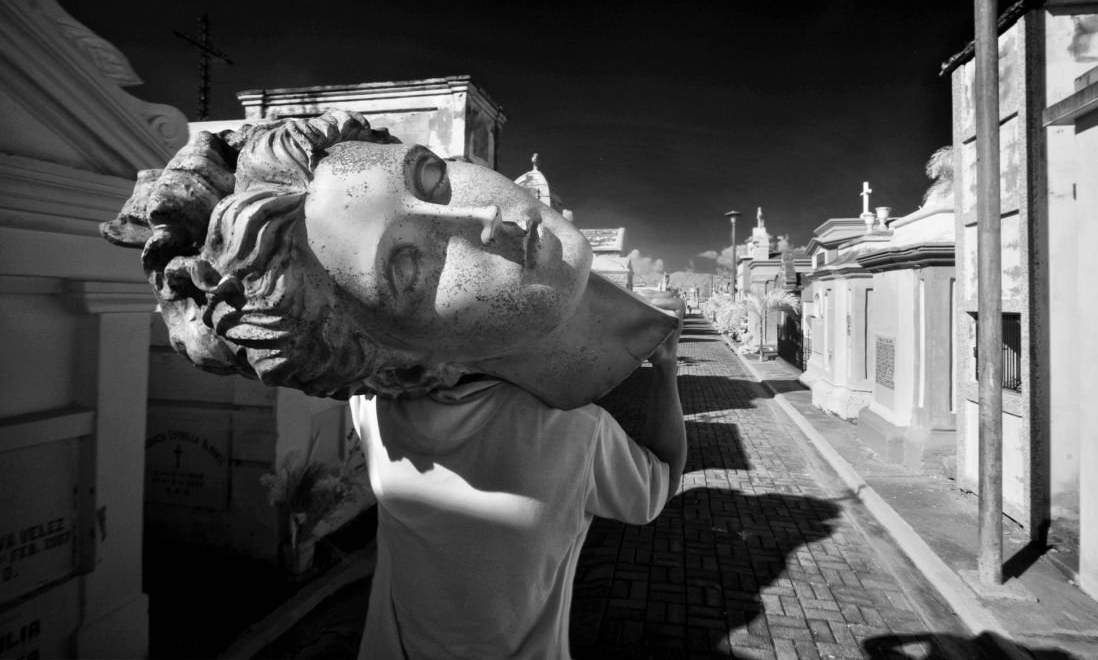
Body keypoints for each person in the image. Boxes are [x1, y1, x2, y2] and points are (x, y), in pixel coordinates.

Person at [101, 110, 685, 658]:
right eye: (407, 269)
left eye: (430, 176)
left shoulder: (377, 415)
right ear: (402, 366)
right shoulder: (572, 434)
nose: (486, 219)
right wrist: (664, 372)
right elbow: (659, 483)